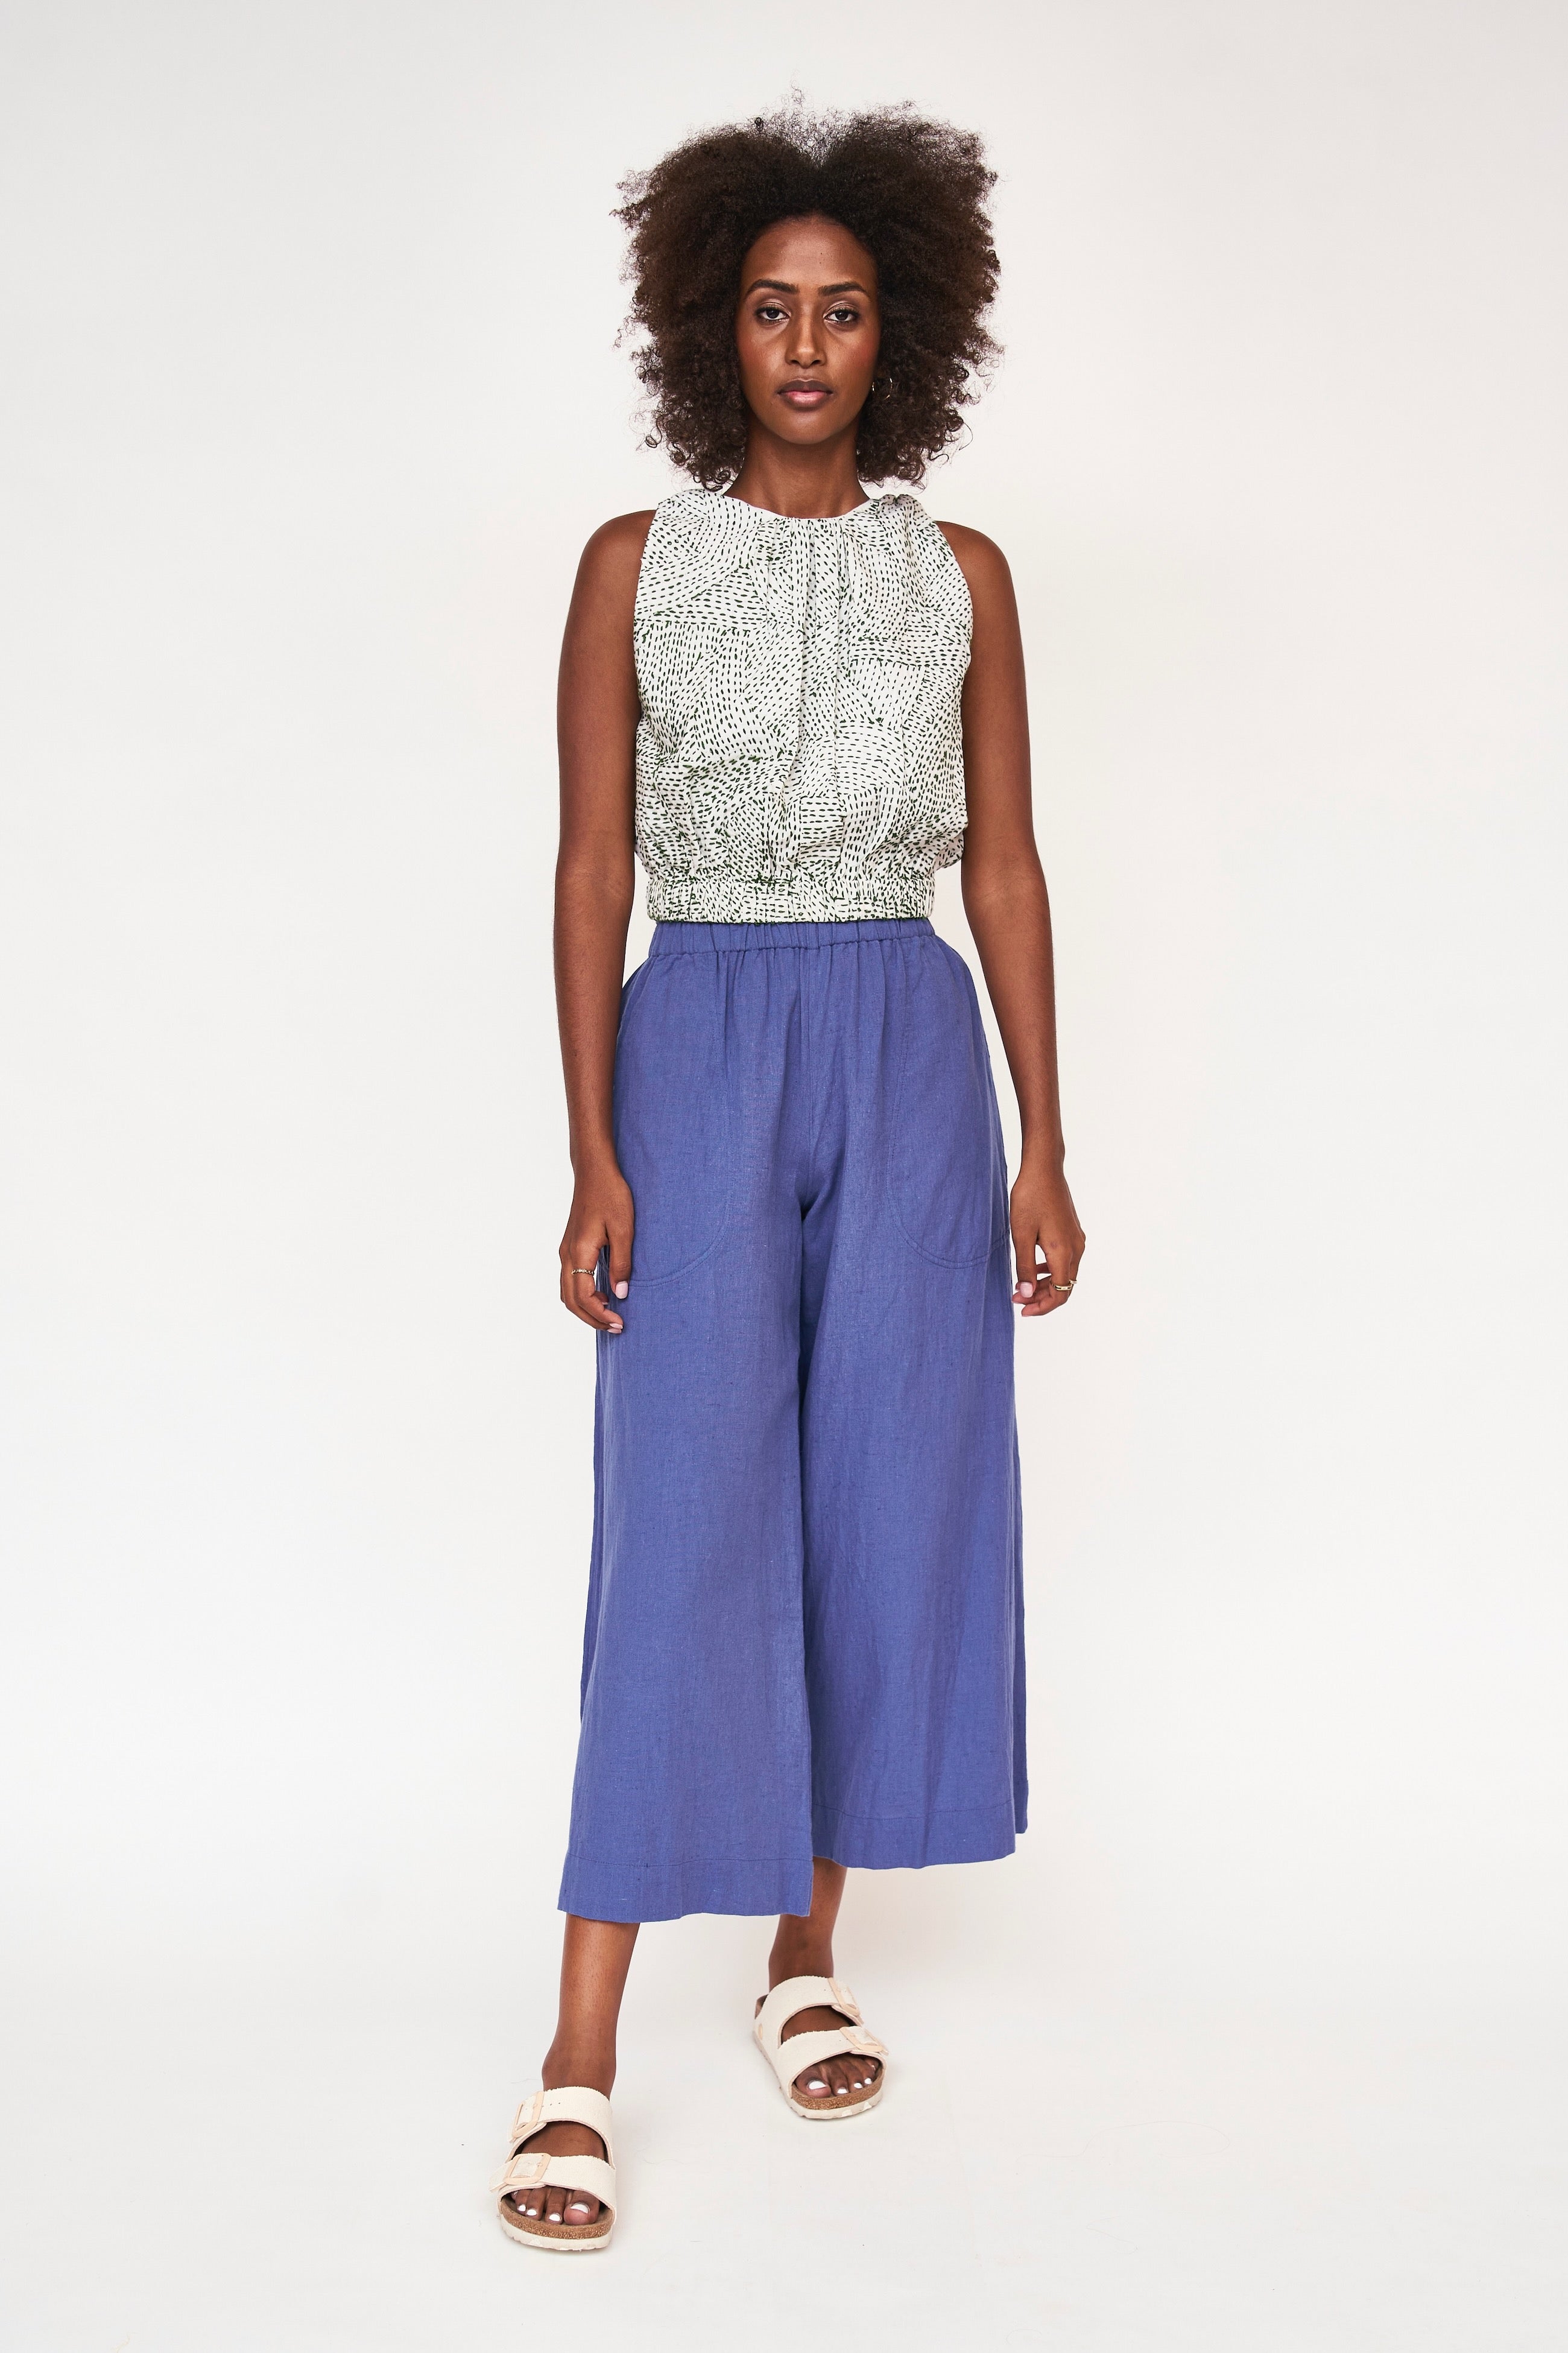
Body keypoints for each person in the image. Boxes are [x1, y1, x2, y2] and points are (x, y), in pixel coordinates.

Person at [492, 105, 1085, 2252]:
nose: (808, 345)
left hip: (912, 1050)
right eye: (772, 309)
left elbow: (1003, 867)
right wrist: (592, 1148)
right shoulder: (634, 566)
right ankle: (578, 2052)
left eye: (842, 311)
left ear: (897, 332)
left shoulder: (963, 576)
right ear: (712, 330)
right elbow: (591, 867)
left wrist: (1046, 1137)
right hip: (704, 1040)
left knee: (881, 1499)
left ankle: (804, 1948)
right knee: (685, 1520)